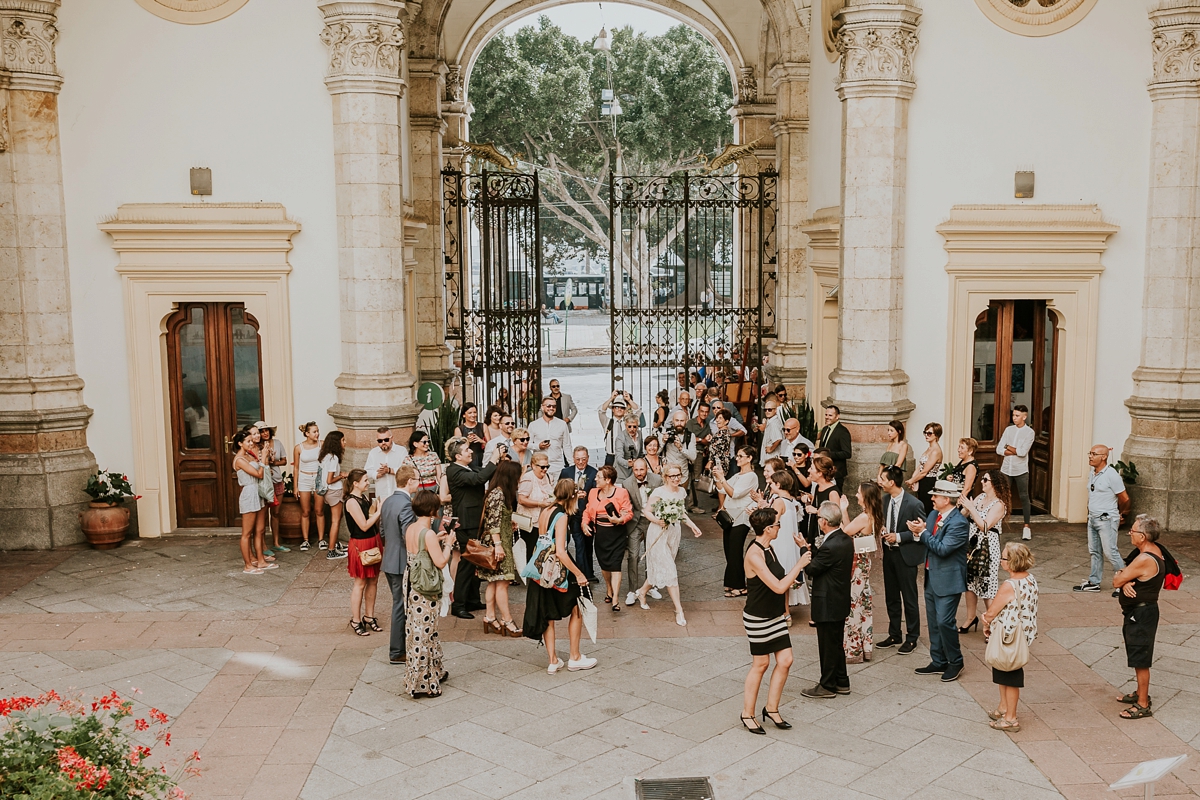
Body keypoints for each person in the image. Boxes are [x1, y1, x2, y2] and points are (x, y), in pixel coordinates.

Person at [740, 506, 809, 734]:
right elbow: (779, 587)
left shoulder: (769, 547)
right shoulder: (755, 554)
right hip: (758, 617)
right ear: (768, 529)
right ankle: (747, 713)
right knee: (761, 664)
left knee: (786, 660)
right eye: (777, 524)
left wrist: (792, 580)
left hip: (774, 614)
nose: (780, 527)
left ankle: (771, 708)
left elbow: (778, 577)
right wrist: (799, 566)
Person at [522, 479, 598, 674]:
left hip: (541, 569)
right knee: (577, 607)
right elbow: (562, 551)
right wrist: (579, 574)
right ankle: (575, 657)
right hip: (557, 569)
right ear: (572, 497)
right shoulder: (562, 516)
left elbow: (542, 541)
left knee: (547, 615)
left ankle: (553, 660)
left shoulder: (545, 511)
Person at [910, 480, 971, 682]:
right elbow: (929, 542)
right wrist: (918, 534)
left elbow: (943, 549)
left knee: (945, 622)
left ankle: (956, 661)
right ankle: (938, 661)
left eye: (935, 496)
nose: (932, 499)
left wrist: (923, 533)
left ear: (946, 499)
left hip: (949, 580)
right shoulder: (933, 515)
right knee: (934, 622)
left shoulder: (959, 523)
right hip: (931, 576)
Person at [634, 464, 703, 626]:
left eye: (678, 475)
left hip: (673, 533)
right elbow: (647, 512)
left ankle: (642, 591)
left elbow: (681, 513)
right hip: (658, 532)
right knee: (670, 570)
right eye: (672, 476)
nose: (676, 478)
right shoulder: (659, 492)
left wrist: (693, 526)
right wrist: (658, 520)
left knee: (662, 567)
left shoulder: (681, 492)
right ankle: (679, 610)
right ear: (665, 477)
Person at [981, 542, 1038, 733]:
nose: (1000, 560)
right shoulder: (1030, 579)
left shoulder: (1009, 585)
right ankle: (1003, 708)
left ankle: (1011, 718)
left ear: (1012, 562)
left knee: (1010, 675)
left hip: (1008, 636)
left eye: (1004, 557)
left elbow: (992, 611)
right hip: (1021, 634)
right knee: (1002, 671)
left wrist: (986, 621)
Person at [1113, 514, 1165, 720]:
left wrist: (1123, 580)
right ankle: (1140, 692)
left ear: (1142, 536)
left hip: (1141, 614)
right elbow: (1123, 574)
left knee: (1141, 658)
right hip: (1143, 612)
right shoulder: (1152, 551)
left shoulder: (1144, 558)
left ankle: (1143, 703)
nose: (1130, 534)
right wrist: (1126, 580)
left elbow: (1116, 579)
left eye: (1133, 531)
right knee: (1137, 654)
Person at [800, 502, 855, 698]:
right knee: (836, 643)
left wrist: (802, 550)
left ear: (824, 522)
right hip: (839, 600)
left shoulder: (831, 546)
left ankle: (827, 685)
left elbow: (812, 569)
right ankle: (842, 681)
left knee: (827, 646)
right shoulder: (845, 540)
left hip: (828, 602)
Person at [404, 490, 453, 697]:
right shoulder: (429, 533)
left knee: (419, 629)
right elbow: (440, 562)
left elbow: (420, 552)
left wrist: (437, 539)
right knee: (425, 632)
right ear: (433, 510)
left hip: (412, 584)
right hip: (425, 588)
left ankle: (433, 670)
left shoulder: (411, 528)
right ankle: (423, 683)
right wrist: (448, 544)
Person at [445, 436, 500, 619]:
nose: (471, 451)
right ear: (457, 456)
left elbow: (483, 473)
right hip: (466, 523)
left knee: (476, 560)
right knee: (467, 563)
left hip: (474, 521)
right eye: (467, 449)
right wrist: (493, 457)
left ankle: (473, 600)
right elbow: (479, 479)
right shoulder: (454, 471)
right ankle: (459, 604)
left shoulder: (466, 467)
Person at [875, 465, 926, 655]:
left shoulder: (914, 504)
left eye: (882, 478)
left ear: (891, 482)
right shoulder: (884, 500)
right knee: (891, 597)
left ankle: (912, 637)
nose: (879, 481)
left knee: (909, 598)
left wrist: (899, 537)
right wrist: (881, 529)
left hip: (906, 555)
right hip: (889, 554)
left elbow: (922, 532)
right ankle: (894, 633)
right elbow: (881, 520)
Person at [956, 469, 1011, 633]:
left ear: (994, 483)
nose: (982, 482)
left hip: (988, 548)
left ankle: (991, 623)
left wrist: (972, 509)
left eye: (986, 480)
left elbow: (985, 526)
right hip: (972, 545)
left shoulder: (1000, 505)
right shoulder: (980, 498)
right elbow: (964, 516)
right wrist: (964, 508)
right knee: (970, 583)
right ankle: (970, 618)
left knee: (987, 586)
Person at [1076, 445, 1130, 592]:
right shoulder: (1092, 473)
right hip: (1093, 518)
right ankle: (1094, 582)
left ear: (1104, 457)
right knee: (1094, 551)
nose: (1090, 456)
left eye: (1094, 454)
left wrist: (1122, 514)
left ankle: (1124, 583)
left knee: (1111, 551)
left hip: (1106, 519)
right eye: (1090, 453)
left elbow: (1124, 498)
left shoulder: (1112, 475)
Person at [478, 459, 522, 636]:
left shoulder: (496, 492)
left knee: (494, 582)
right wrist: (498, 545)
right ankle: (507, 620)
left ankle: (489, 617)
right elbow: (493, 521)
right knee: (503, 583)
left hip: (496, 541)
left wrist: (508, 521)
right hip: (498, 543)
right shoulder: (499, 494)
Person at [840, 482, 883, 663]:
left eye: (858, 492)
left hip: (856, 564)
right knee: (864, 603)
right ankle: (865, 647)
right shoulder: (873, 515)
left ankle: (853, 650)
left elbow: (845, 532)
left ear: (865, 496)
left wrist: (843, 510)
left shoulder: (864, 517)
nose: (856, 495)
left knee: (854, 604)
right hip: (864, 563)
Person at [582, 465, 634, 613]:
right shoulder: (593, 492)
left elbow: (628, 512)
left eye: (598, 477)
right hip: (601, 534)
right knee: (604, 565)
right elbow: (587, 511)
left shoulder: (621, 492)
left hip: (617, 534)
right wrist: (585, 524)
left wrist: (620, 520)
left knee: (616, 565)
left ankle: (615, 599)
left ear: (608, 480)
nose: (595, 479)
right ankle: (609, 588)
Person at [380, 465, 417, 665]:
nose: (418, 484)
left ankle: (400, 648)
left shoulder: (387, 501)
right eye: (416, 480)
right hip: (402, 561)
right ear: (409, 481)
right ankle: (397, 651)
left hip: (389, 559)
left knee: (399, 603)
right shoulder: (406, 504)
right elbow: (407, 534)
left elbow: (383, 532)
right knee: (400, 605)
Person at [713, 447, 760, 598]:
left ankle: (739, 586)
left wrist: (722, 479)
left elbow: (734, 493)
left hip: (740, 519)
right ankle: (731, 582)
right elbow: (722, 490)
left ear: (749, 458)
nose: (737, 458)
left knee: (735, 551)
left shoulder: (751, 476)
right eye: (737, 456)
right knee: (728, 550)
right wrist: (717, 477)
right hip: (730, 517)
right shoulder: (738, 475)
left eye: (740, 456)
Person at [343, 468, 383, 636]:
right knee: (360, 583)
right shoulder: (351, 502)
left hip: (373, 541)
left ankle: (369, 616)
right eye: (365, 480)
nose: (368, 482)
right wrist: (379, 511)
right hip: (361, 544)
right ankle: (356, 620)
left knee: (373, 581)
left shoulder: (363, 497)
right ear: (355, 483)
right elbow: (364, 525)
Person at [621, 458, 662, 606]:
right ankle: (632, 590)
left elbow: (663, 500)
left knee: (652, 554)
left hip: (653, 521)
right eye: (636, 470)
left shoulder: (657, 480)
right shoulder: (627, 483)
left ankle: (651, 586)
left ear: (647, 469)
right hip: (635, 523)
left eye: (641, 470)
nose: (639, 473)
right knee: (633, 555)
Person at [233, 429, 272, 574]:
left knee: (260, 529)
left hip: (257, 492)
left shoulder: (249, 456)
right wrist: (262, 460)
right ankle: (248, 565)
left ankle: (261, 560)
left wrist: (265, 456)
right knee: (246, 532)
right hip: (249, 493)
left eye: (251, 440)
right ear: (240, 444)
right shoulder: (240, 460)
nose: (251, 443)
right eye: (248, 441)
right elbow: (258, 474)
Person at [767, 468, 805, 612]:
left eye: (772, 483)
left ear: (778, 484)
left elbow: (773, 523)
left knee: (777, 576)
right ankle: (786, 611)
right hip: (789, 543)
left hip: (779, 542)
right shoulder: (791, 501)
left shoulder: (779, 501)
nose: (770, 485)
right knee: (785, 577)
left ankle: (782, 611)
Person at [996, 406, 1035, 540]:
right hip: (1006, 468)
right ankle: (998, 522)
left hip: (1021, 470)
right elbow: (999, 449)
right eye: (1013, 415)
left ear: (1024, 417)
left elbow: (1023, 452)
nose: (1014, 418)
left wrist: (1008, 447)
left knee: (1024, 497)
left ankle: (1026, 527)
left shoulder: (1029, 432)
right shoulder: (1008, 430)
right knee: (1001, 497)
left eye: (1017, 416)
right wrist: (1012, 449)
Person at [559, 447, 598, 582]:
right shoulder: (566, 472)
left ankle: (589, 572)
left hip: (587, 515)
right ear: (573, 458)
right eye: (578, 459)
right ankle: (581, 574)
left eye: (583, 459)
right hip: (573, 513)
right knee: (579, 544)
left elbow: (596, 494)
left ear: (588, 458)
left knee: (588, 545)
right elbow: (560, 492)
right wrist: (574, 496)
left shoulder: (593, 473)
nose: (581, 462)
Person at [257, 422, 289, 555]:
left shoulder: (277, 443)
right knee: (262, 515)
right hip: (264, 482)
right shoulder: (256, 446)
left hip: (276, 480)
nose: (265, 433)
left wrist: (272, 462)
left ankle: (276, 542)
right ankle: (263, 545)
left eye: (267, 430)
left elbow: (284, 461)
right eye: (262, 431)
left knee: (275, 513)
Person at [315, 431, 348, 558]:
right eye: (343, 440)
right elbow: (330, 480)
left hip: (326, 492)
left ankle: (335, 544)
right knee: (335, 521)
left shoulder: (324, 456)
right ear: (337, 443)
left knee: (335, 519)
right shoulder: (333, 458)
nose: (345, 442)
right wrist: (342, 475)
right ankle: (331, 550)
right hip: (334, 490)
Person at [293, 421, 322, 553]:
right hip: (304, 479)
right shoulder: (299, 448)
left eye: (317, 431)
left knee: (319, 510)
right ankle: (305, 540)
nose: (317, 433)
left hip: (318, 478)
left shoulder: (321, 444)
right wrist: (295, 486)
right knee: (305, 511)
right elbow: (296, 468)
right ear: (307, 434)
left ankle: (321, 539)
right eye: (314, 431)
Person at [517, 451, 554, 551]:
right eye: (542, 467)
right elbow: (521, 499)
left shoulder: (548, 477)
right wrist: (540, 503)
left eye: (547, 466)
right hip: (530, 523)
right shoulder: (528, 478)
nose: (545, 469)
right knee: (530, 550)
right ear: (533, 466)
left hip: (544, 521)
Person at [803, 454, 841, 545]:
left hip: (825, 535)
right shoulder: (817, 487)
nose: (808, 470)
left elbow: (836, 517)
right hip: (814, 529)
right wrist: (809, 499)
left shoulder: (832, 492)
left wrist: (816, 511)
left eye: (811, 468)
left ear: (820, 473)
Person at [364, 426, 407, 503]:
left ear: (392, 438)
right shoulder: (373, 453)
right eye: (380, 441)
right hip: (382, 494)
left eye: (386, 440)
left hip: (399, 494)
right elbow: (367, 471)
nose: (383, 443)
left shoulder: (401, 451)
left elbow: (406, 471)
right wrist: (377, 474)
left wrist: (389, 470)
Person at [906, 423, 943, 514]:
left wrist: (912, 480)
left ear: (936, 435)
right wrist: (913, 479)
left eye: (929, 433)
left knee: (926, 507)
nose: (926, 435)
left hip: (929, 482)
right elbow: (921, 466)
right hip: (922, 480)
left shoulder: (935, 451)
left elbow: (925, 471)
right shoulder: (929, 448)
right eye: (925, 432)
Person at [815, 405, 852, 492]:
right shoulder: (824, 429)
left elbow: (847, 453)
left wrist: (827, 455)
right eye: (826, 415)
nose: (827, 417)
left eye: (830, 415)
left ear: (837, 416)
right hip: (824, 471)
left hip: (836, 473)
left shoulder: (843, 431)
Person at [598, 390, 639, 467]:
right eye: (616, 407)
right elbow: (601, 411)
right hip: (611, 456)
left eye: (622, 408)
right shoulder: (607, 421)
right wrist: (611, 398)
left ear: (625, 410)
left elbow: (638, 411)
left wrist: (629, 400)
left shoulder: (628, 423)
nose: (619, 409)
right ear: (613, 409)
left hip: (626, 456)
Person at [528, 395, 571, 468]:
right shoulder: (533, 425)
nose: (551, 408)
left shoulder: (562, 424)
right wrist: (538, 446)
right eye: (548, 406)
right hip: (539, 465)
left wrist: (572, 464)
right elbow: (527, 444)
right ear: (542, 407)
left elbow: (567, 446)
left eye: (554, 406)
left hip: (557, 465)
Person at [685, 403, 712, 511]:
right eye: (702, 411)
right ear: (698, 411)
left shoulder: (707, 425)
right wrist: (702, 440)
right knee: (685, 478)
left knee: (696, 479)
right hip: (689, 453)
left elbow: (708, 439)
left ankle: (692, 505)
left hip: (700, 454)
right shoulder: (691, 423)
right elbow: (687, 438)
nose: (704, 414)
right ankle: (683, 504)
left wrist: (706, 442)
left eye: (706, 412)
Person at [661, 411, 697, 490]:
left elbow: (693, 457)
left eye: (682, 421)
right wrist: (663, 441)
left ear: (686, 421)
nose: (679, 423)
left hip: (683, 476)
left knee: (682, 500)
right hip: (668, 475)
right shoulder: (665, 433)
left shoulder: (690, 436)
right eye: (677, 420)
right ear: (673, 421)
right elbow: (656, 452)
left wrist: (681, 448)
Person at [404, 429, 443, 493]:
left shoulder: (433, 455)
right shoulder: (408, 460)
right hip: (416, 491)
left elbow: (439, 476)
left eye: (428, 441)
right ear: (415, 444)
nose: (427, 444)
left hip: (433, 489)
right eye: (424, 442)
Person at [455, 402, 487, 469]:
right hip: (467, 460)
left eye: (475, 412)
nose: (473, 415)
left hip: (482, 458)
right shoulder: (459, 429)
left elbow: (490, 445)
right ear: (464, 415)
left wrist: (481, 441)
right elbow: (458, 449)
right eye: (470, 413)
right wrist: (468, 442)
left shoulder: (483, 426)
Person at [613, 416, 643, 482]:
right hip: (622, 472)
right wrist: (628, 463)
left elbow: (640, 453)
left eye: (634, 426)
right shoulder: (620, 438)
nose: (632, 429)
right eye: (629, 426)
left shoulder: (639, 434)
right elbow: (618, 457)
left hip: (635, 472)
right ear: (626, 425)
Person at [758, 399, 783, 466]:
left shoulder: (773, 424)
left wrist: (771, 449)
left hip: (772, 458)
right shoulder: (771, 421)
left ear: (775, 410)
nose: (767, 412)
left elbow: (778, 438)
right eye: (765, 410)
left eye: (770, 410)